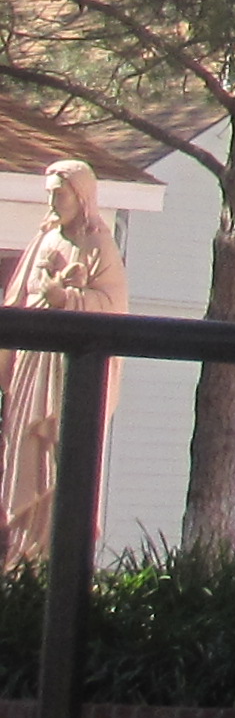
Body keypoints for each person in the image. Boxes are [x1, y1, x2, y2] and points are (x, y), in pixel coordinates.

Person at [0, 162, 126, 565]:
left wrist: (67, 300)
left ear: (82, 195)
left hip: (69, 373)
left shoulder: (98, 246)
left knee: (62, 459)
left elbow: (112, 307)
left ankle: (57, 561)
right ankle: (21, 560)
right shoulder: (43, 240)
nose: (53, 202)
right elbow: (18, 299)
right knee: (24, 458)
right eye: (50, 194)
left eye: (61, 193)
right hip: (31, 368)